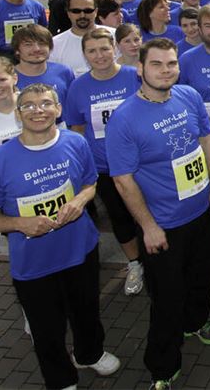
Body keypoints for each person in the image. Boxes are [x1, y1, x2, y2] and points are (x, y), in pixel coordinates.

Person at [0, 83, 121, 389]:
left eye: (45, 104)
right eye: (28, 106)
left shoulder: (75, 143)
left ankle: (89, 353)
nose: (37, 110)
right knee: (46, 327)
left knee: (87, 310)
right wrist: (19, 223)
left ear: (57, 110)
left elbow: (89, 183)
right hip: (34, 262)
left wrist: (80, 202)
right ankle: (60, 378)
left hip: (80, 249)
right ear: (18, 114)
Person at [106, 39, 210, 389]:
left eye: (171, 63)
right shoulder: (125, 119)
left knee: (203, 275)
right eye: (157, 64)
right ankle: (162, 366)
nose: (165, 70)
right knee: (167, 297)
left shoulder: (188, 96)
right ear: (140, 69)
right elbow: (122, 179)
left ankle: (196, 322)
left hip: (203, 212)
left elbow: (208, 141)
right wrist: (148, 227)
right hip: (164, 226)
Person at [64, 29, 146, 296]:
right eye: (92, 51)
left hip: (140, 163)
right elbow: (76, 128)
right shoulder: (78, 87)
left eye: (104, 49)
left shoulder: (133, 77)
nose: (99, 56)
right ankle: (135, 263)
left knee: (148, 211)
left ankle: (155, 256)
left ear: (114, 48)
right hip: (104, 167)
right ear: (85, 55)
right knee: (119, 216)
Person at [13, 25, 75, 125]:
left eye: (42, 43)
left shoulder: (64, 71)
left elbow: (74, 107)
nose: (36, 49)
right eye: (28, 45)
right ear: (17, 50)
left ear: (50, 48)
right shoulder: (7, 79)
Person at [50, 0, 116, 77]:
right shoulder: (55, 44)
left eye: (88, 11)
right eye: (76, 11)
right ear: (68, 13)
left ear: (96, 11)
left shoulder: (115, 35)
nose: (82, 15)